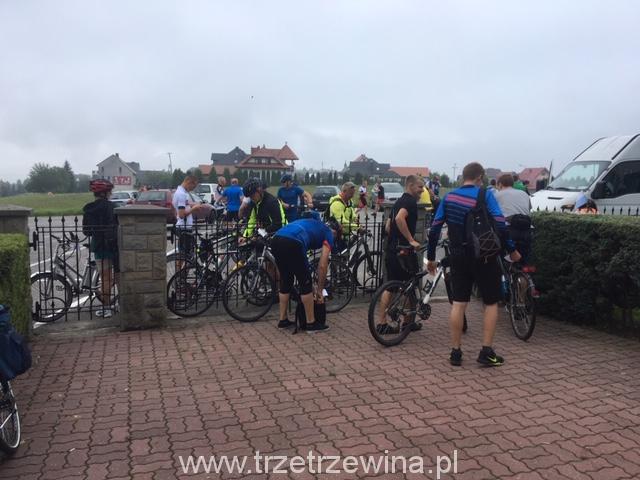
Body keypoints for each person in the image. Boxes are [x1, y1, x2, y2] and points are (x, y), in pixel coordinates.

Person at [427, 162, 521, 368]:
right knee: (491, 302)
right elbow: (500, 224)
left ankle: (455, 352)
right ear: (479, 177)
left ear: (463, 176)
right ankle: (486, 351)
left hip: (458, 255)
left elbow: (434, 229)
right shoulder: (484, 195)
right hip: (484, 256)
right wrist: (511, 250)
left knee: (459, 303)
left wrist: (431, 257)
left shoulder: (449, 197)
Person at [271, 218, 339, 332]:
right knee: (305, 283)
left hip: (277, 239)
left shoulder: (314, 224)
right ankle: (311, 323)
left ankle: (283, 321)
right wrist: (319, 290)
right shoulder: (328, 233)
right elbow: (323, 265)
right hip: (293, 241)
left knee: (286, 280)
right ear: (335, 232)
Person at [377, 175, 425, 333]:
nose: (422, 190)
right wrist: (411, 240)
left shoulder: (398, 202)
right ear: (410, 186)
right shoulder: (410, 202)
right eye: (420, 187)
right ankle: (407, 323)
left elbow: (388, 226)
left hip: (392, 249)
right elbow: (399, 219)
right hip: (404, 252)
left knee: (390, 287)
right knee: (410, 286)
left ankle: (382, 323)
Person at [83, 179, 119, 318]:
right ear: (105, 193)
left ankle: (106, 308)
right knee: (119, 276)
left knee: (105, 278)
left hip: (99, 246)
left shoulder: (89, 209)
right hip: (114, 245)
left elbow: (86, 231)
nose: (111, 193)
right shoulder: (113, 207)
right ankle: (122, 304)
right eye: (110, 191)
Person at [173, 174, 205, 269]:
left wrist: (193, 204)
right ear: (188, 182)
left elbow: (183, 205)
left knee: (185, 254)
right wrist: (194, 208)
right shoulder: (182, 194)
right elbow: (181, 214)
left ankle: (180, 274)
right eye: (193, 186)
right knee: (184, 256)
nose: (192, 189)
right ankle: (180, 275)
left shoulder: (180, 192)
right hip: (184, 227)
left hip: (183, 226)